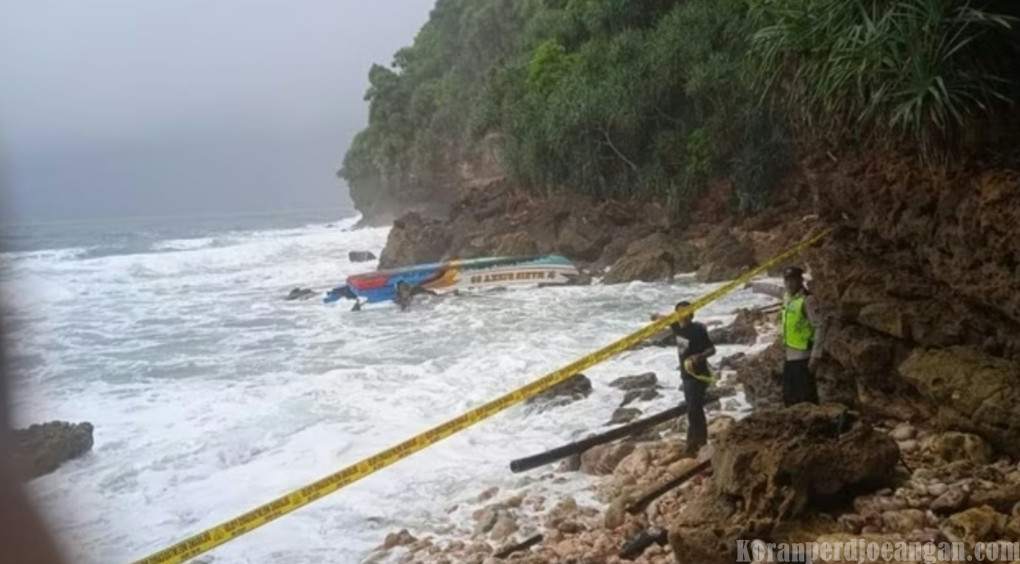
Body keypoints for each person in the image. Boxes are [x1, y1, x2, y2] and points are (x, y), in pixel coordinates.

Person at [748, 266, 825, 406]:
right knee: (790, 397)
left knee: (806, 397)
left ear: (800, 280)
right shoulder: (787, 297)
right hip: (790, 356)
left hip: (804, 357)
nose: (789, 284)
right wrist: (754, 285)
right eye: (786, 280)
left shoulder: (808, 300)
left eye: (793, 280)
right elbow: (773, 289)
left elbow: (820, 326)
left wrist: (816, 355)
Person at [651, 300, 716, 458]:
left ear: (691, 314)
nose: (682, 316)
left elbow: (712, 349)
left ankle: (697, 443)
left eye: (685, 312)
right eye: (679, 313)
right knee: (693, 409)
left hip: (699, 375)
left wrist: (699, 356)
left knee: (694, 409)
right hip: (685, 376)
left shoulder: (698, 330)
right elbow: (665, 318)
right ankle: (694, 442)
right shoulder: (676, 327)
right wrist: (655, 316)